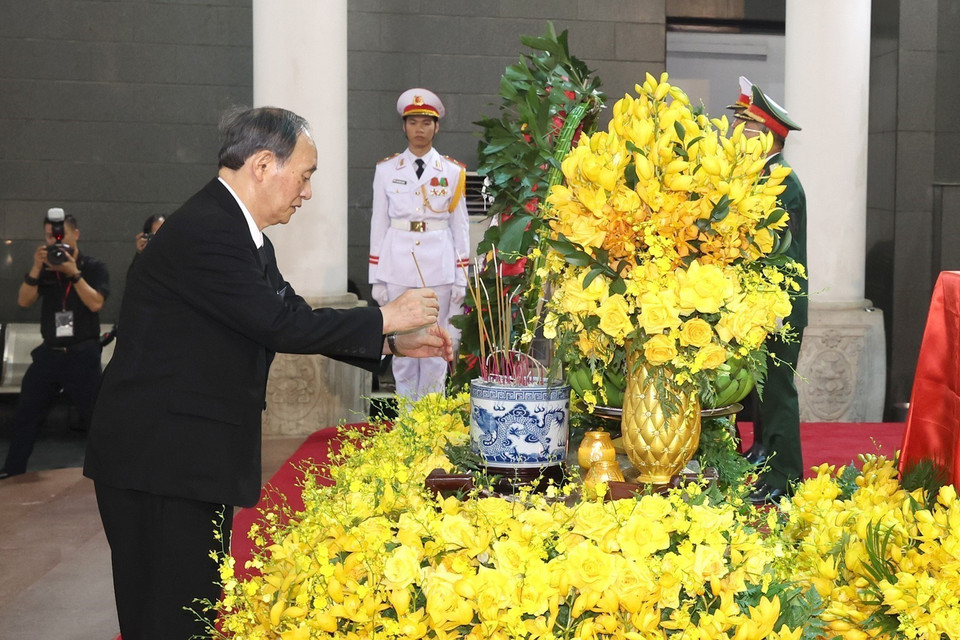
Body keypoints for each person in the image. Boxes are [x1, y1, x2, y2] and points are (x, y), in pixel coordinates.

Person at [83, 106, 452, 640]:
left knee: (193, 609)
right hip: (158, 460)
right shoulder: (209, 230)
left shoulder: (240, 232)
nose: (306, 192)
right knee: (168, 615)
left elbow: (292, 315)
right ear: (262, 165)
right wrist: (387, 315)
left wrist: (392, 342)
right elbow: (279, 324)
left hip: (182, 455)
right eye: (304, 176)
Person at [368, 88, 470, 401]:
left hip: (437, 264)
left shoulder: (452, 172)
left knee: (437, 347)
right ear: (404, 126)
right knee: (402, 350)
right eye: (413, 122)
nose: (419, 129)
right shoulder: (386, 171)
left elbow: (460, 225)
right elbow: (378, 223)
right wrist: (377, 277)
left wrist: (461, 276)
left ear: (436, 127)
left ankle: (432, 425)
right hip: (397, 262)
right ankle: (407, 425)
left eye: (426, 122)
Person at [735, 85, 808, 505]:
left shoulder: (782, 181)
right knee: (759, 387)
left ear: (768, 134)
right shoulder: (762, 176)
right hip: (761, 301)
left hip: (779, 301)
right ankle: (764, 452)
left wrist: (774, 305)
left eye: (746, 125)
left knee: (778, 387)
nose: (737, 131)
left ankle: (786, 473)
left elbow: (780, 251)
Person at [0, 210, 109, 480]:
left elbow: (96, 303)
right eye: (50, 236)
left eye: (60, 235)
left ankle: (110, 473)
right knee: (27, 413)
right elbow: (24, 301)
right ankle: (12, 471)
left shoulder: (93, 266)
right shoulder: (45, 267)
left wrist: (73, 273)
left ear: (75, 234)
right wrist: (37, 268)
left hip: (82, 355)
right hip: (50, 354)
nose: (55, 241)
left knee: (96, 418)